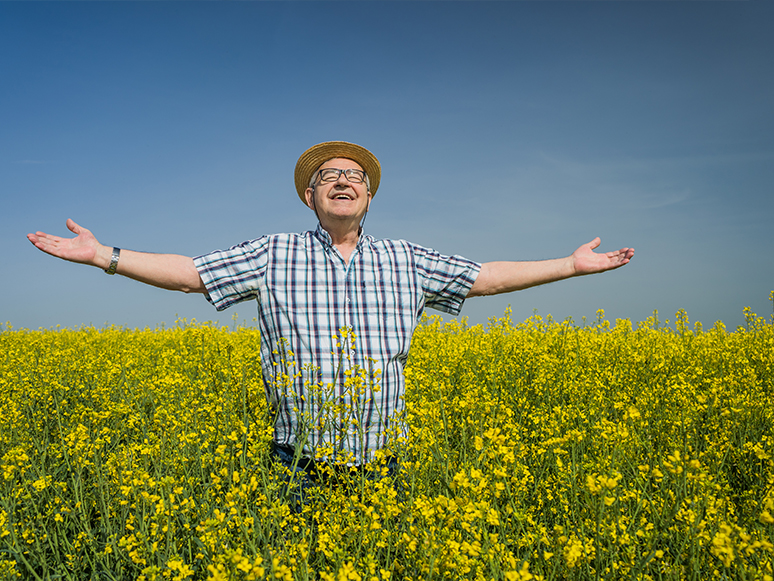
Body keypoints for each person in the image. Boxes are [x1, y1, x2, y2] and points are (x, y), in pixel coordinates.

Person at [27, 141, 634, 474]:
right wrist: (105, 255)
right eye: (328, 176)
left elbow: (487, 277)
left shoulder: (406, 257)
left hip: (382, 458)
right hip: (297, 457)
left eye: (355, 177)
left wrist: (569, 265)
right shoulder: (274, 252)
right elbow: (191, 274)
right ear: (310, 197)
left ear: (368, 196)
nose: (343, 181)